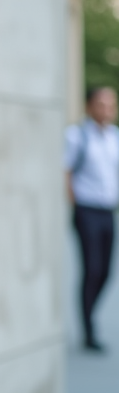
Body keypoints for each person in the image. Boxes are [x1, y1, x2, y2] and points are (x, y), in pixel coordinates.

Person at [64, 86, 118, 352]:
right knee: (92, 269)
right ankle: (88, 330)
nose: (107, 110)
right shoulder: (76, 136)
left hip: (108, 211)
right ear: (89, 106)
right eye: (101, 104)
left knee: (106, 272)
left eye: (111, 105)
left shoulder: (114, 137)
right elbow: (65, 172)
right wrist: (75, 204)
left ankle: (89, 314)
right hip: (86, 210)